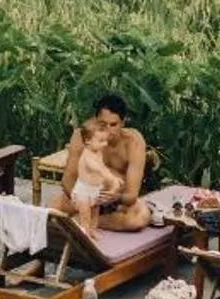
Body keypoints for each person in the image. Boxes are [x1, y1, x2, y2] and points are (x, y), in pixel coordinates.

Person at [57, 94, 152, 232]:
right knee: (52, 209)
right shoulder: (80, 136)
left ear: (123, 122)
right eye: (102, 124)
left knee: (140, 217)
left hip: (115, 202)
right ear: (95, 120)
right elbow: (67, 180)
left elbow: (131, 195)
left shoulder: (133, 141)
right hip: (85, 196)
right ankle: (84, 217)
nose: (107, 130)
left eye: (113, 125)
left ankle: (86, 221)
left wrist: (115, 198)